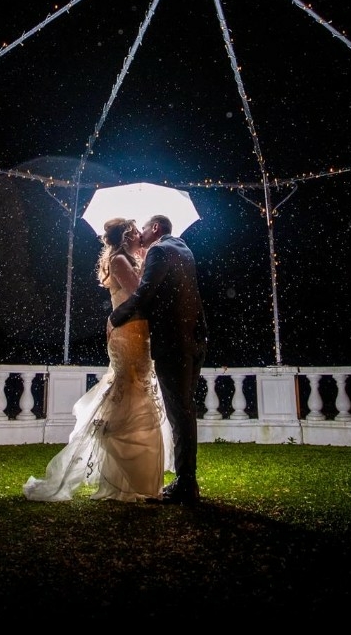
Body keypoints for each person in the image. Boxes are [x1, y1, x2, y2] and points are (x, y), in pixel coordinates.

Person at [23, 217, 173, 502]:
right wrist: (147, 268)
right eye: (135, 232)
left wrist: (143, 261)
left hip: (139, 334)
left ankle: (140, 479)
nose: (140, 236)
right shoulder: (118, 261)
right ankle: (130, 478)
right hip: (127, 334)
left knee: (139, 392)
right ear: (126, 236)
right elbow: (139, 292)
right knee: (129, 393)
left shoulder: (129, 258)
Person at [109, 214, 207, 505]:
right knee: (185, 409)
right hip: (195, 338)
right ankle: (187, 480)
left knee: (180, 412)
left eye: (143, 231)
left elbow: (144, 294)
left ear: (155, 229)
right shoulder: (182, 249)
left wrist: (115, 317)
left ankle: (186, 484)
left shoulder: (159, 251)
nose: (140, 236)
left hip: (173, 342)